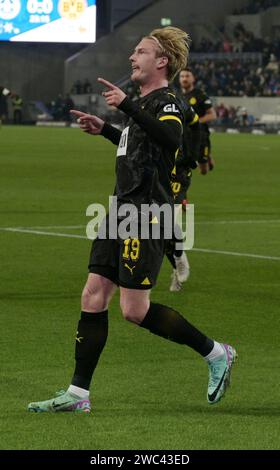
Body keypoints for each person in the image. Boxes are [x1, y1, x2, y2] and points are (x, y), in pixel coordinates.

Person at [27, 27, 236, 413]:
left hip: (148, 213)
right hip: (120, 208)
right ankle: (77, 395)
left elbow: (171, 143)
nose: (132, 57)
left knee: (134, 310)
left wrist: (125, 106)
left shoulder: (169, 102)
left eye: (140, 51)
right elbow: (140, 149)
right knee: (93, 294)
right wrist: (106, 128)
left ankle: (215, 352)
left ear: (162, 62)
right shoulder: (145, 103)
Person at [179, 68, 217, 174]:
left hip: (201, 134)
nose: (184, 79)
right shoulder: (178, 96)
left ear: (193, 79)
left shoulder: (200, 95)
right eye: (182, 76)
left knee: (203, 171)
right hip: (185, 136)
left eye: (187, 76)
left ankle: (207, 156)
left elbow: (212, 115)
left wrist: (195, 121)